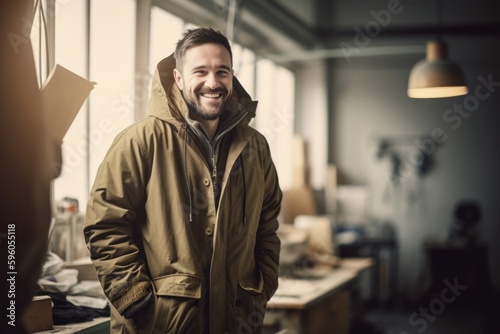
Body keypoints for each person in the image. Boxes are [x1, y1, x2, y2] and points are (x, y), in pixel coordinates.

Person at [84, 27, 282, 333]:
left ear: (232, 76)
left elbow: (267, 225)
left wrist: (264, 284)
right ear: (178, 78)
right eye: (200, 71)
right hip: (162, 324)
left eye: (222, 71)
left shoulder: (255, 147)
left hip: (236, 321)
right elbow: (105, 223)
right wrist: (133, 296)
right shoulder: (141, 141)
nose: (212, 83)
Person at [1, 1, 62, 333]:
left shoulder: (19, 49)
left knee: (10, 314)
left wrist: (44, 147)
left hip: (20, 234)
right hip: (13, 231)